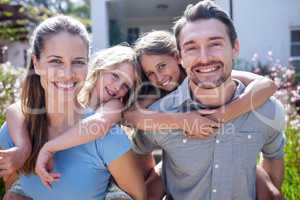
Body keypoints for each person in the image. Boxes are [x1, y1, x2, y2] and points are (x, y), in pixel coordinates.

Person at [129, 1, 285, 200]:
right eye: (192, 47)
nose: (204, 58)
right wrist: (158, 178)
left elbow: (274, 154)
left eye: (215, 44)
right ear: (181, 57)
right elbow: (137, 140)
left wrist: (268, 189)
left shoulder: (266, 110)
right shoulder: (158, 110)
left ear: (235, 47)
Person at [0, 15, 146, 200]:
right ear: (36, 63)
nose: (67, 74)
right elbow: (13, 188)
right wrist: (24, 149)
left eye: (78, 62)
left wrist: (48, 148)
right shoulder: (14, 130)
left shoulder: (108, 135)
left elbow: (139, 196)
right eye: (56, 61)